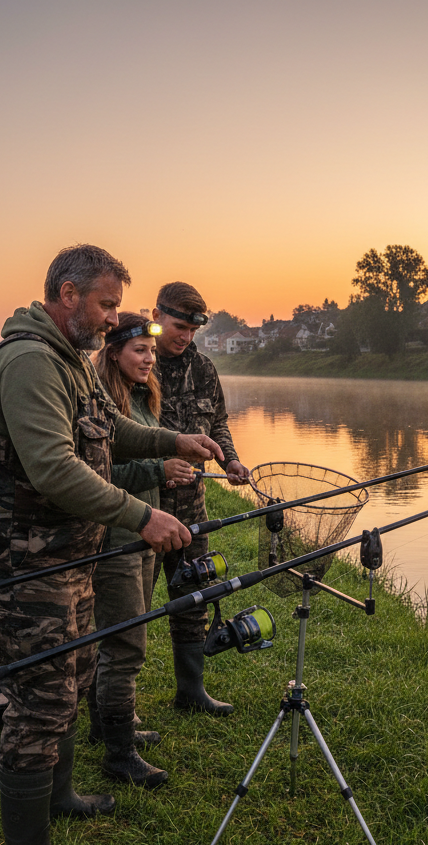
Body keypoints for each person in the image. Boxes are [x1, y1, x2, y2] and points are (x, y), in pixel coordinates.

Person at [0, 245, 223, 845]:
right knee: (43, 693)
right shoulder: (29, 363)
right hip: (24, 552)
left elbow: (110, 432)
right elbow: (54, 468)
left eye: (115, 305)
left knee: (75, 672)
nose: (114, 319)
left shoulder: (69, 361)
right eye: (107, 304)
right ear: (68, 293)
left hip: (67, 549)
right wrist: (142, 515)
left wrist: (175, 440)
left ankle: (61, 796)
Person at [89, 313, 194, 789]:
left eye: (151, 352)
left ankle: (110, 723)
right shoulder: (102, 403)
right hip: (116, 539)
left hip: (144, 536)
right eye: (139, 351)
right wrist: (159, 470)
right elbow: (98, 479)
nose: (150, 359)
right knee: (124, 645)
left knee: (124, 637)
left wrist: (166, 468)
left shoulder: (141, 397)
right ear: (114, 353)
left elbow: (145, 459)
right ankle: (118, 754)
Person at [152, 282, 250, 715]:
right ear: (156, 316)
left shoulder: (205, 369)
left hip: (192, 506)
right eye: (178, 327)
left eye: (192, 331)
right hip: (141, 505)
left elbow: (220, 423)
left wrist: (230, 460)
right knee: (127, 604)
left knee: (193, 595)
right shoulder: (133, 360)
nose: (185, 338)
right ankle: (116, 708)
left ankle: (191, 693)